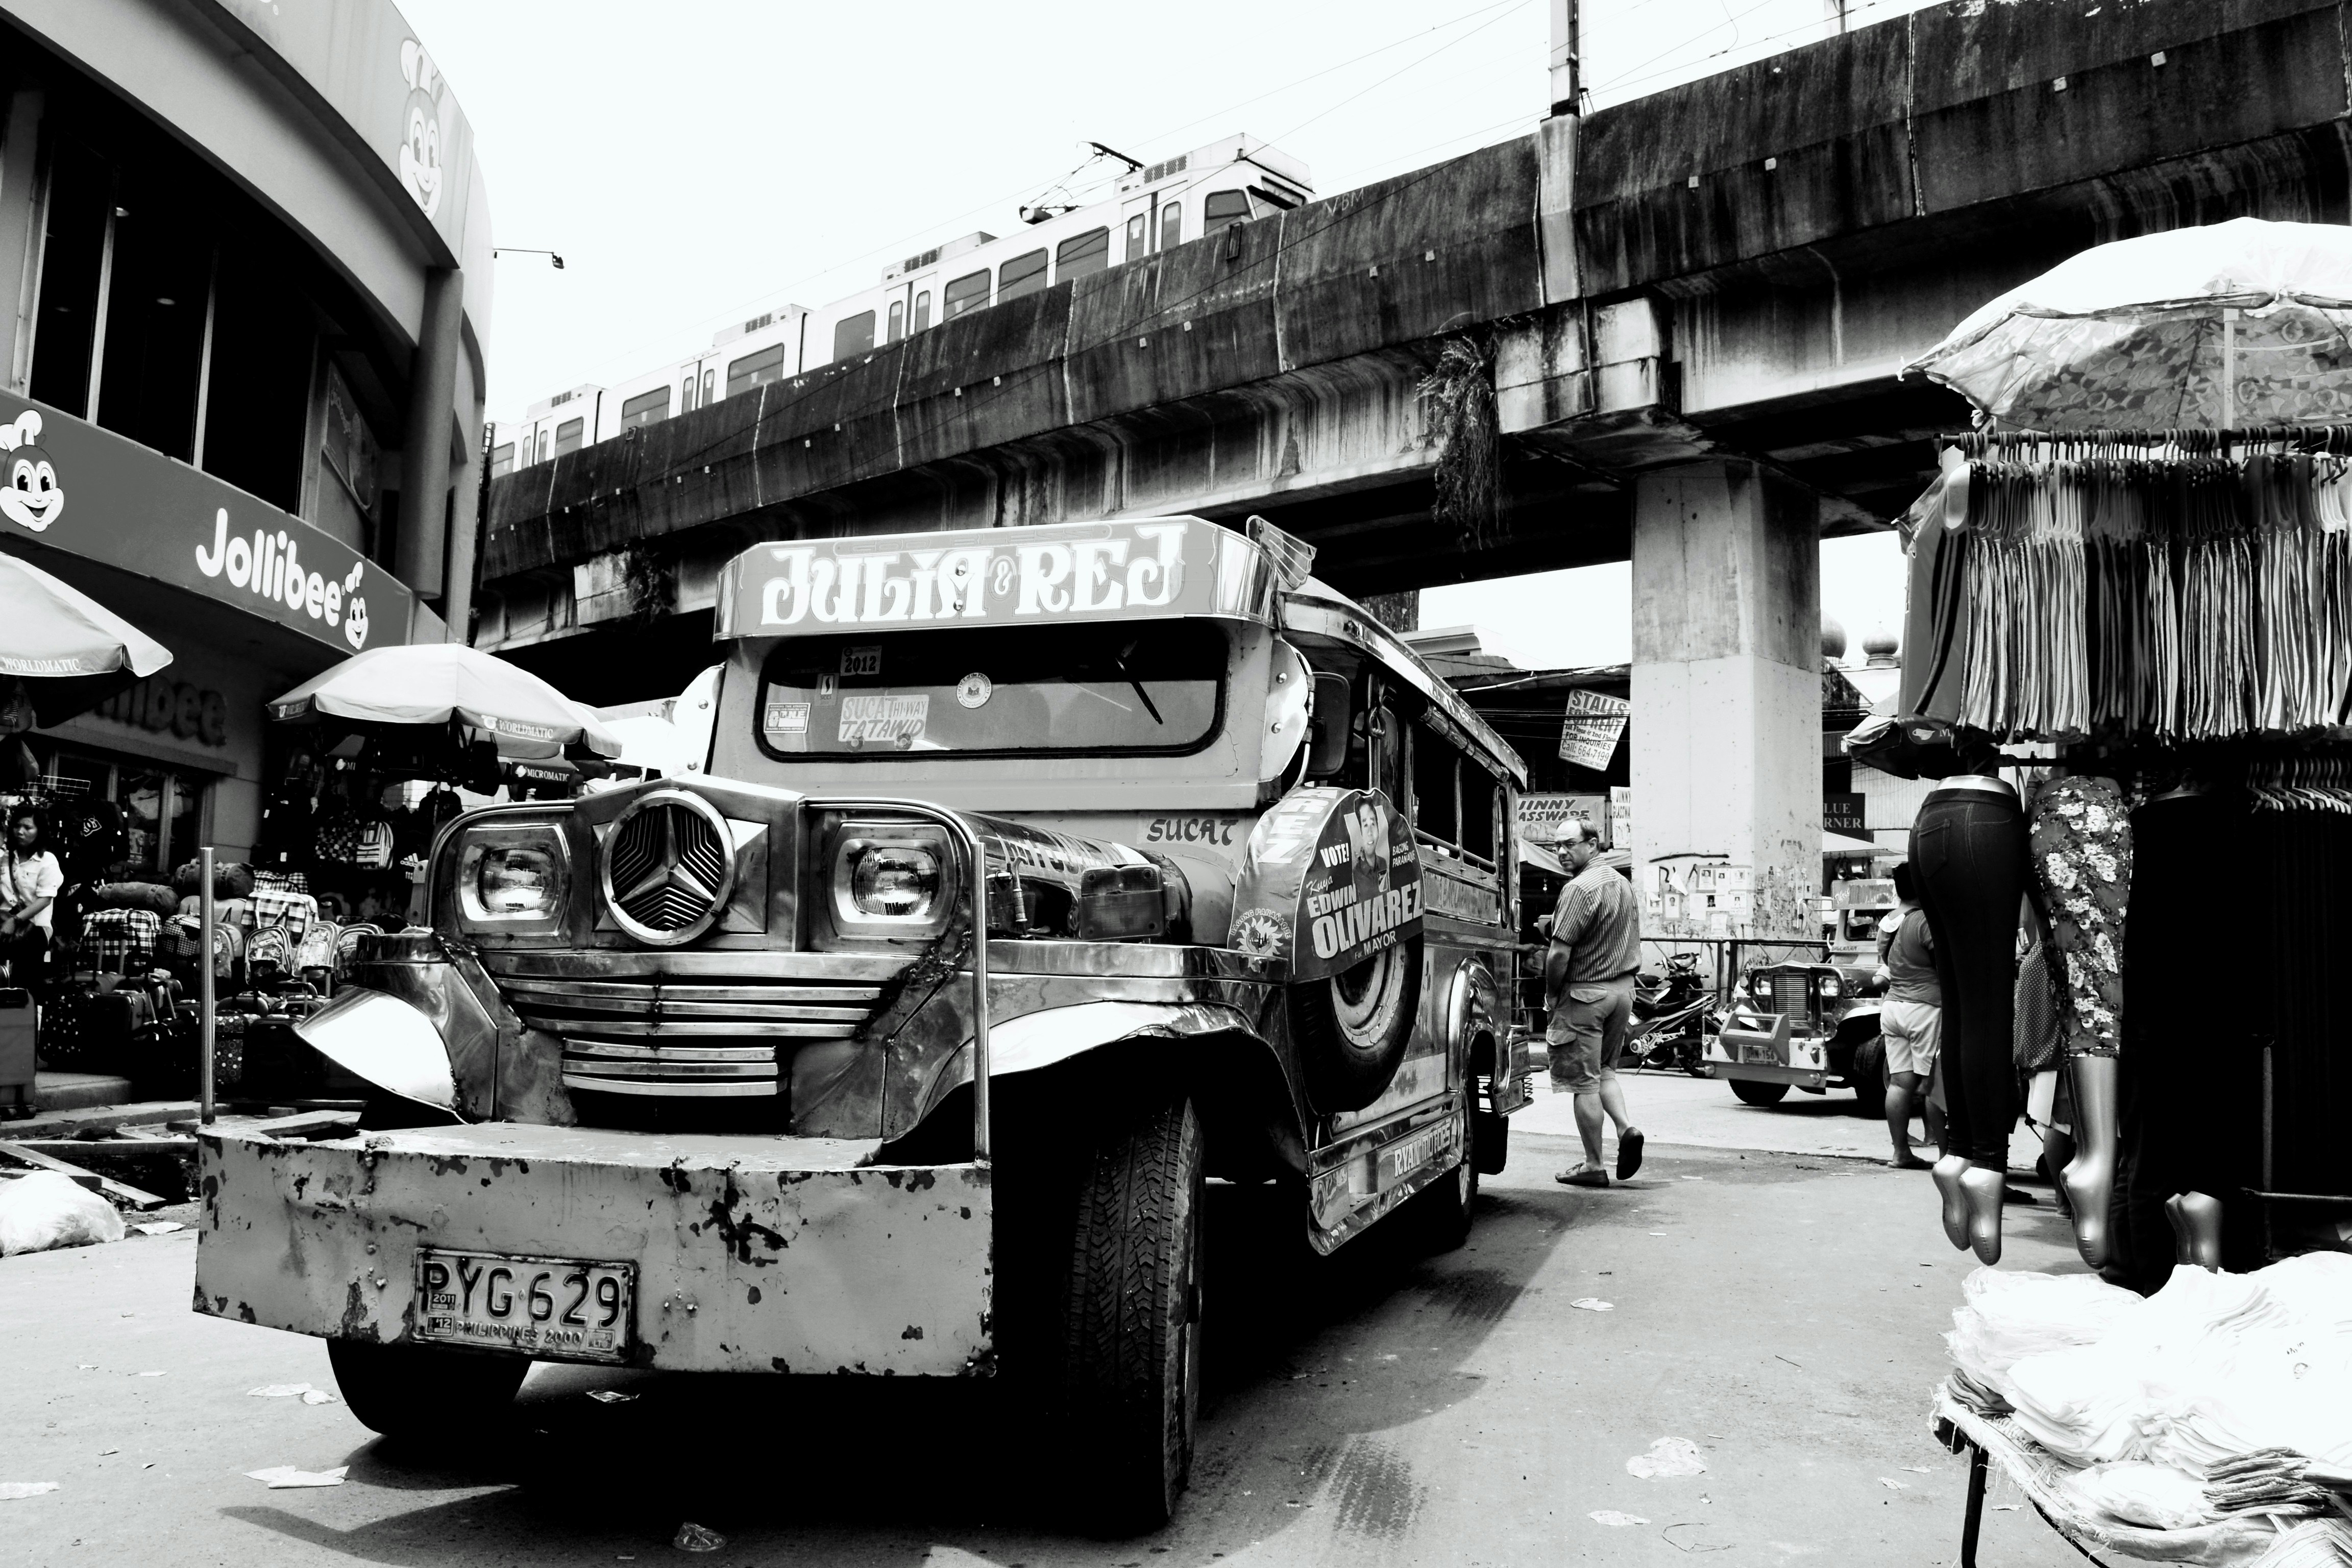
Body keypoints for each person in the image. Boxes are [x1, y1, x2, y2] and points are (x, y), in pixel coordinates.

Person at [1544, 820, 1645, 1188]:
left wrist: (1553, 993)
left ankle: (1593, 1164)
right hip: (1623, 992)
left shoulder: (1579, 889)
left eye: (1569, 844)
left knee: (1582, 1083)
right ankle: (1626, 1128)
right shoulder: (1623, 884)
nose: (1561, 852)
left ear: (1593, 844)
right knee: (1605, 1072)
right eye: (1556, 845)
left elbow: (1558, 954)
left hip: (1586, 995)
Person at [1875, 861, 1945, 1169]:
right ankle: (1947, 1158)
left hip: (1892, 1008)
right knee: (1933, 1085)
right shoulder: (1925, 921)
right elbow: (1944, 967)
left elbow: (1887, 967)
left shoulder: (1887, 923)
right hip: (1925, 1009)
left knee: (1900, 1084)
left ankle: (1900, 1152)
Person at [1, 806, 62, 985]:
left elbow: (45, 899)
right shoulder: (5, 858)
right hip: (3, 927)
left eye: (28, 828)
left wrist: (15, 921)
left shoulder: (47, 860)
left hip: (32, 930)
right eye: (17, 826)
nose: (20, 832)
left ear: (39, 831)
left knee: (23, 984)